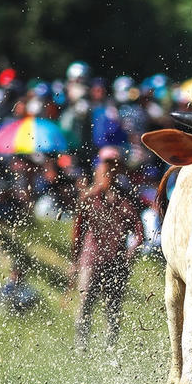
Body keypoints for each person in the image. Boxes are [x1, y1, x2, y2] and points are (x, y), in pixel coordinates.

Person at [71, 146, 144, 351]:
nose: (110, 169)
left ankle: (110, 349)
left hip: (116, 262)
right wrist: (74, 261)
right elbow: (77, 233)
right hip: (91, 260)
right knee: (85, 304)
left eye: (114, 165)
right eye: (106, 164)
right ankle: (81, 348)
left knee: (113, 310)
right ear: (99, 167)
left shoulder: (127, 199)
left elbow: (140, 233)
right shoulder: (88, 198)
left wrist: (130, 254)